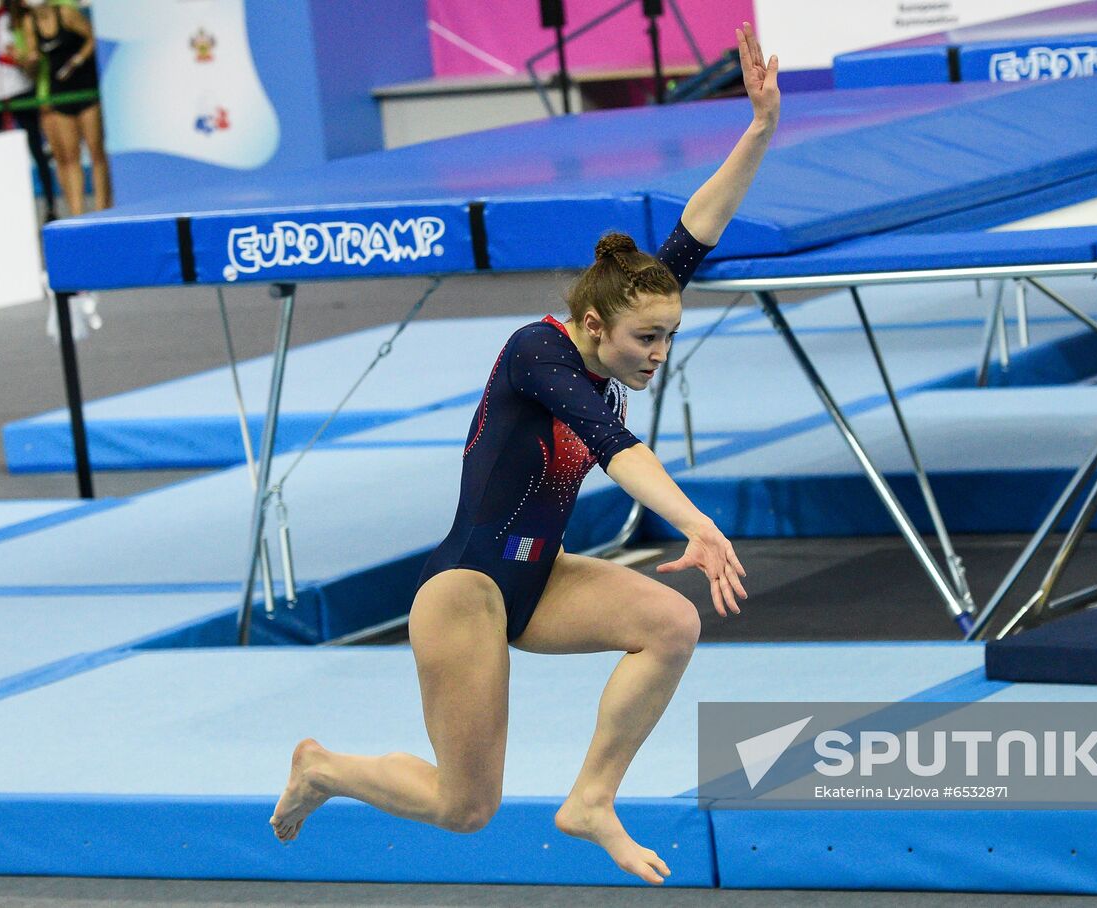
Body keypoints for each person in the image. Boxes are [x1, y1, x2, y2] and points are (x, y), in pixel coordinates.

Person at [271, 22, 779, 887]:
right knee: (464, 808)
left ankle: (591, 799)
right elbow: (616, 449)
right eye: (647, 340)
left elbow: (697, 228)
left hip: (538, 575)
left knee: (671, 625)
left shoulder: (624, 313)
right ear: (593, 328)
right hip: (465, 592)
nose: (658, 354)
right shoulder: (537, 355)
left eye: (668, 337)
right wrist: (696, 522)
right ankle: (322, 766)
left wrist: (759, 128)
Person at [0, 0, 56, 220]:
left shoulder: (16, 18)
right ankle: (0, 209)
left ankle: (50, 205)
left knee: (35, 147)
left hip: (19, 88)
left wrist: (8, 56)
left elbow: (25, 57)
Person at [23, 0, 109, 215]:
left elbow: (92, 38)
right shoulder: (29, 23)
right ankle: (77, 213)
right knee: (70, 156)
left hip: (85, 89)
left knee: (96, 150)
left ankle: (102, 209)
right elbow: (32, 61)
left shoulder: (66, 14)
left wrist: (78, 60)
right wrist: (29, 60)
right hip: (59, 93)